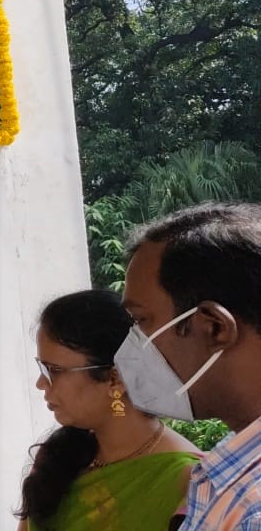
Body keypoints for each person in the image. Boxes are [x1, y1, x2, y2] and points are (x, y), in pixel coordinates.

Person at [119, 202, 261, 530]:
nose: (132, 344)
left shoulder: (253, 509)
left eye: (142, 320)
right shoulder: (228, 466)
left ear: (214, 328)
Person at [15, 290, 200, 531]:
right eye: (42, 368)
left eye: (54, 371)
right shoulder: (58, 456)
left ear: (115, 379)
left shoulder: (186, 481)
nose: (41, 384)